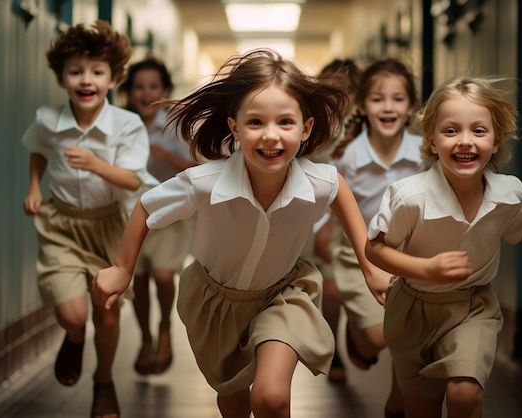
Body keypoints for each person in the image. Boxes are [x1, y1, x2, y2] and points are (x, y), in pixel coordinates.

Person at [92, 49, 376, 418]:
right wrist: (122, 268)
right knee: (235, 402)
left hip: (284, 293)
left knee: (271, 398)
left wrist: (370, 267)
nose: (270, 136)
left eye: (285, 123)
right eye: (256, 122)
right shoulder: (204, 182)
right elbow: (146, 206)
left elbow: (338, 188)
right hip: (216, 302)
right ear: (235, 127)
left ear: (305, 128)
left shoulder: (316, 179)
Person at [365, 75, 522, 418]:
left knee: (464, 394)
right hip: (412, 310)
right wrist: (426, 269)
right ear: (432, 141)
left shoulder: (508, 193)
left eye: (478, 131)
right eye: (451, 131)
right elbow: (375, 249)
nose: (465, 142)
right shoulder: (409, 197)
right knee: (422, 408)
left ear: (496, 141)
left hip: (472, 306)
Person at [22, 21, 150, 418]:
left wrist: (95, 164)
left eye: (97, 71)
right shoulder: (48, 119)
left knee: (107, 313)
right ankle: (75, 338)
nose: (86, 80)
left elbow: (132, 180)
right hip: (61, 225)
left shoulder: (127, 125)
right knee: (73, 313)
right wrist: (35, 187)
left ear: (114, 77)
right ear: (62, 78)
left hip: (109, 226)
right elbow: (38, 150)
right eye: (75, 71)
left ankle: (103, 381)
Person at [329, 57, 422, 416]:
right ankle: (358, 335)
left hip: (409, 256)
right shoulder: (347, 156)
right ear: (363, 105)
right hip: (359, 254)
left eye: (398, 99)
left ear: (411, 106)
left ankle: (397, 403)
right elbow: (332, 203)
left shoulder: (424, 154)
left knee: (405, 334)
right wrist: (322, 231)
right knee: (378, 337)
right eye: (378, 99)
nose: (388, 107)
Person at [117, 57, 195, 375]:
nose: (146, 93)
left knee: (163, 275)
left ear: (164, 90)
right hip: (133, 212)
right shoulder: (122, 125)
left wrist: (167, 156)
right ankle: (145, 338)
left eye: (153, 86)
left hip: (172, 212)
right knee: (138, 278)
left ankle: (164, 328)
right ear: (129, 91)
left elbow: (198, 170)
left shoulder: (175, 125)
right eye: (139, 87)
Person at [302, 58, 361, 384]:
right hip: (315, 216)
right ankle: (336, 347)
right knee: (332, 290)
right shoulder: (313, 125)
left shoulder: (364, 130)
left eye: (347, 91)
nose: (339, 98)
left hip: (351, 219)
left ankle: (358, 332)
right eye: (331, 89)